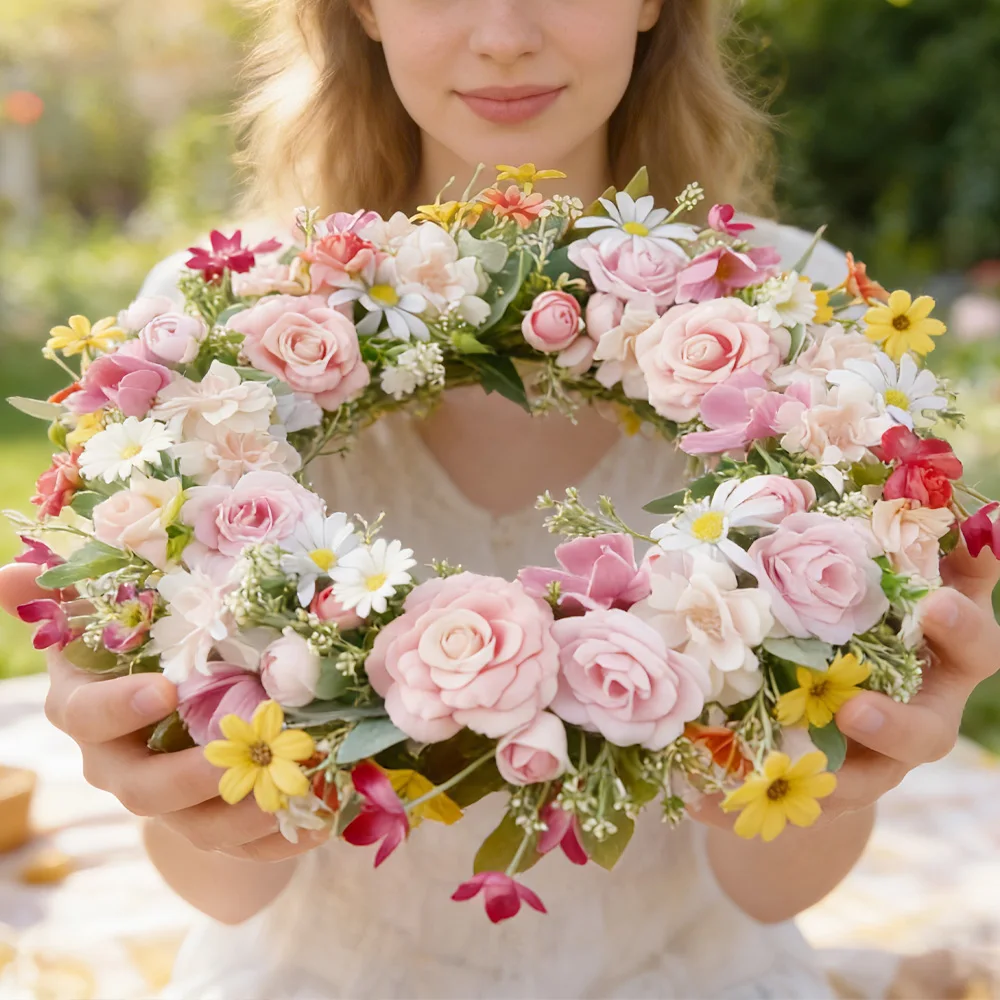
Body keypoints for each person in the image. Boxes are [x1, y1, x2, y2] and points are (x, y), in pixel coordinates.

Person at [1, 1, 998, 996]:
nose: (505, 32)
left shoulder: (800, 318)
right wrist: (163, 757)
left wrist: (854, 740)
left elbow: (770, 886)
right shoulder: (216, 343)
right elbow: (225, 890)